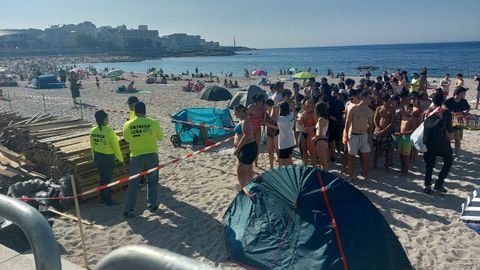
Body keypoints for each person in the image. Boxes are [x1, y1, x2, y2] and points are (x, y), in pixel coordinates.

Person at [123, 102, 164, 218]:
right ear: (145, 111)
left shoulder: (128, 124)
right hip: (151, 155)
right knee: (152, 182)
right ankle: (152, 204)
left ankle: (130, 209)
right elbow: (160, 138)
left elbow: (126, 139)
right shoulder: (153, 123)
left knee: (133, 184)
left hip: (136, 156)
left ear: (134, 111)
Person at [90, 110, 124, 207]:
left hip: (97, 157)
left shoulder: (93, 130)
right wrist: (120, 159)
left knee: (102, 179)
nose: (108, 120)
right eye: (107, 118)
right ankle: (108, 201)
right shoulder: (109, 131)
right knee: (107, 180)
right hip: (107, 158)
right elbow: (115, 147)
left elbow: (92, 146)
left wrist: (94, 158)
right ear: (104, 119)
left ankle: (102, 199)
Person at [423, 93, 453, 194]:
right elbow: (449, 130)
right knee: (448, 161)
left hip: (428, 141)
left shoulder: (427, 112)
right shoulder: (445, 113)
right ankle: (438, 184)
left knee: (429, 164)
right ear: (442, 101)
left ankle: (427, 185)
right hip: (441, 142)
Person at [344, 91, 373, 181]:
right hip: (353, 134)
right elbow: (347, 122)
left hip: (364, 134)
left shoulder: (369, 111)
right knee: (351, 156)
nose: (371, 100)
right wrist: (346, 135)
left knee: (366, 156)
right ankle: (351, 175)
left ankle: (365, 174)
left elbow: (371, 125)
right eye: (369, 98)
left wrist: (370, 136)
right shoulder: (353, 108)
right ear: (363, 98)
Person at [233, 105, 258, 188]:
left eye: (235, 112)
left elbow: (246, 136)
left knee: (240, 171)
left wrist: (238, 148)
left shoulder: (246, 120)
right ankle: (249, 186)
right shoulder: (242, 120)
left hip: (248, 147)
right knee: (248, 169)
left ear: (240, 112)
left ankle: (243, 189)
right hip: (246, 147)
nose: (234, 114)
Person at [444, 87, 470, 158]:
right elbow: (443, 108)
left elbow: (468, 108)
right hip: (450, 123)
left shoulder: (464, 101)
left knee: (457, 139)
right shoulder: (449, 101)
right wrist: (450, 113)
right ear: (460, 93)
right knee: (449, 139)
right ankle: (448, 152)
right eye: (464, 93)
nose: (465, 94)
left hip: (459, 123)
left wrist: (465, 114)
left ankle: (456, 154)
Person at [373, 95, 395, 170]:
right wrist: (378, 128)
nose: (389, 103)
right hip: (379, 131)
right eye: (388, 101)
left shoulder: (392, 109)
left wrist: (384, 130)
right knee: (378, 149)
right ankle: (375, 164)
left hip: (387, 132)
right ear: (384, 101)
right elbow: (375, 119)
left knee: (388, 149)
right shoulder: (379, 108)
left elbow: (391, 122)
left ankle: (387, 165)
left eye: (390, 101)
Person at [395, 104, 415, 175]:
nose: (408, 110)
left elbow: (413, 130)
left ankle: (405, 171)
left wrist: (402, 134)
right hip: (401, 137)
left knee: (406, 156)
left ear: (412, 109)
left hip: (407, 138)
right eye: (407, 108)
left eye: (410, 108)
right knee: (401, 154)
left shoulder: (412, 118)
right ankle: (402, 169)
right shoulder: (403, 117)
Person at [247, 94, 265, 167]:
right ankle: (249, 162)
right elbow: (245, 116)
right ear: (258, 101)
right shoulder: (251, 107)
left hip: (258, 129)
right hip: (250, 129)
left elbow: (264, 119)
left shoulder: (263, 108)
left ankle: (256, 162)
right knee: (249, 146)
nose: (263, 102)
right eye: (262, 100)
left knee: (256, 146)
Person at [299, 99, 317, 167]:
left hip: (311, 133)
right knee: (304, 150)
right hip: (303, 132)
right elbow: (300, 124)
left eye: (309, 106)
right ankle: (305, 165)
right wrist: (300, 119)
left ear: (312, 107)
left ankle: (314, 167)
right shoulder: (303, 113)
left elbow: (316, 125)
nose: (307, 108)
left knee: (311, 152)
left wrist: (310, 128)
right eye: (306, 106)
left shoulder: (313, 114)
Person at [277, 101, 296, 166]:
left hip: (284, 143)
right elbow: (294, 115)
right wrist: (293, 109)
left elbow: (272, 116)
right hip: (290, 141)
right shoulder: (291, 115)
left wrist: (275, 108)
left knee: (282, 162)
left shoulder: (281, 118)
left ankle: (288, 175)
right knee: (289, 160)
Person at [313, 103, 329, 169]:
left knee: (322, 163)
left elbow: (319, 134)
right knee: (324, 163)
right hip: (324, 141)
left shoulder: (320, 120)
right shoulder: (325, 119)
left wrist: (313, 139)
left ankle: (324, 178)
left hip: (320, 142)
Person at [263, 99, 278, 169]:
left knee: (277, 150)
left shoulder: (276, 112)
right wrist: (274, 127)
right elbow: (264, 122)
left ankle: (280, 166)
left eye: (265, 105)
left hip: (276, 133)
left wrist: (274, 127)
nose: (265, 107)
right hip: (269, 132)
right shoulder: (266, 113)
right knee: (270, 150)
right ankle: (271, 166)